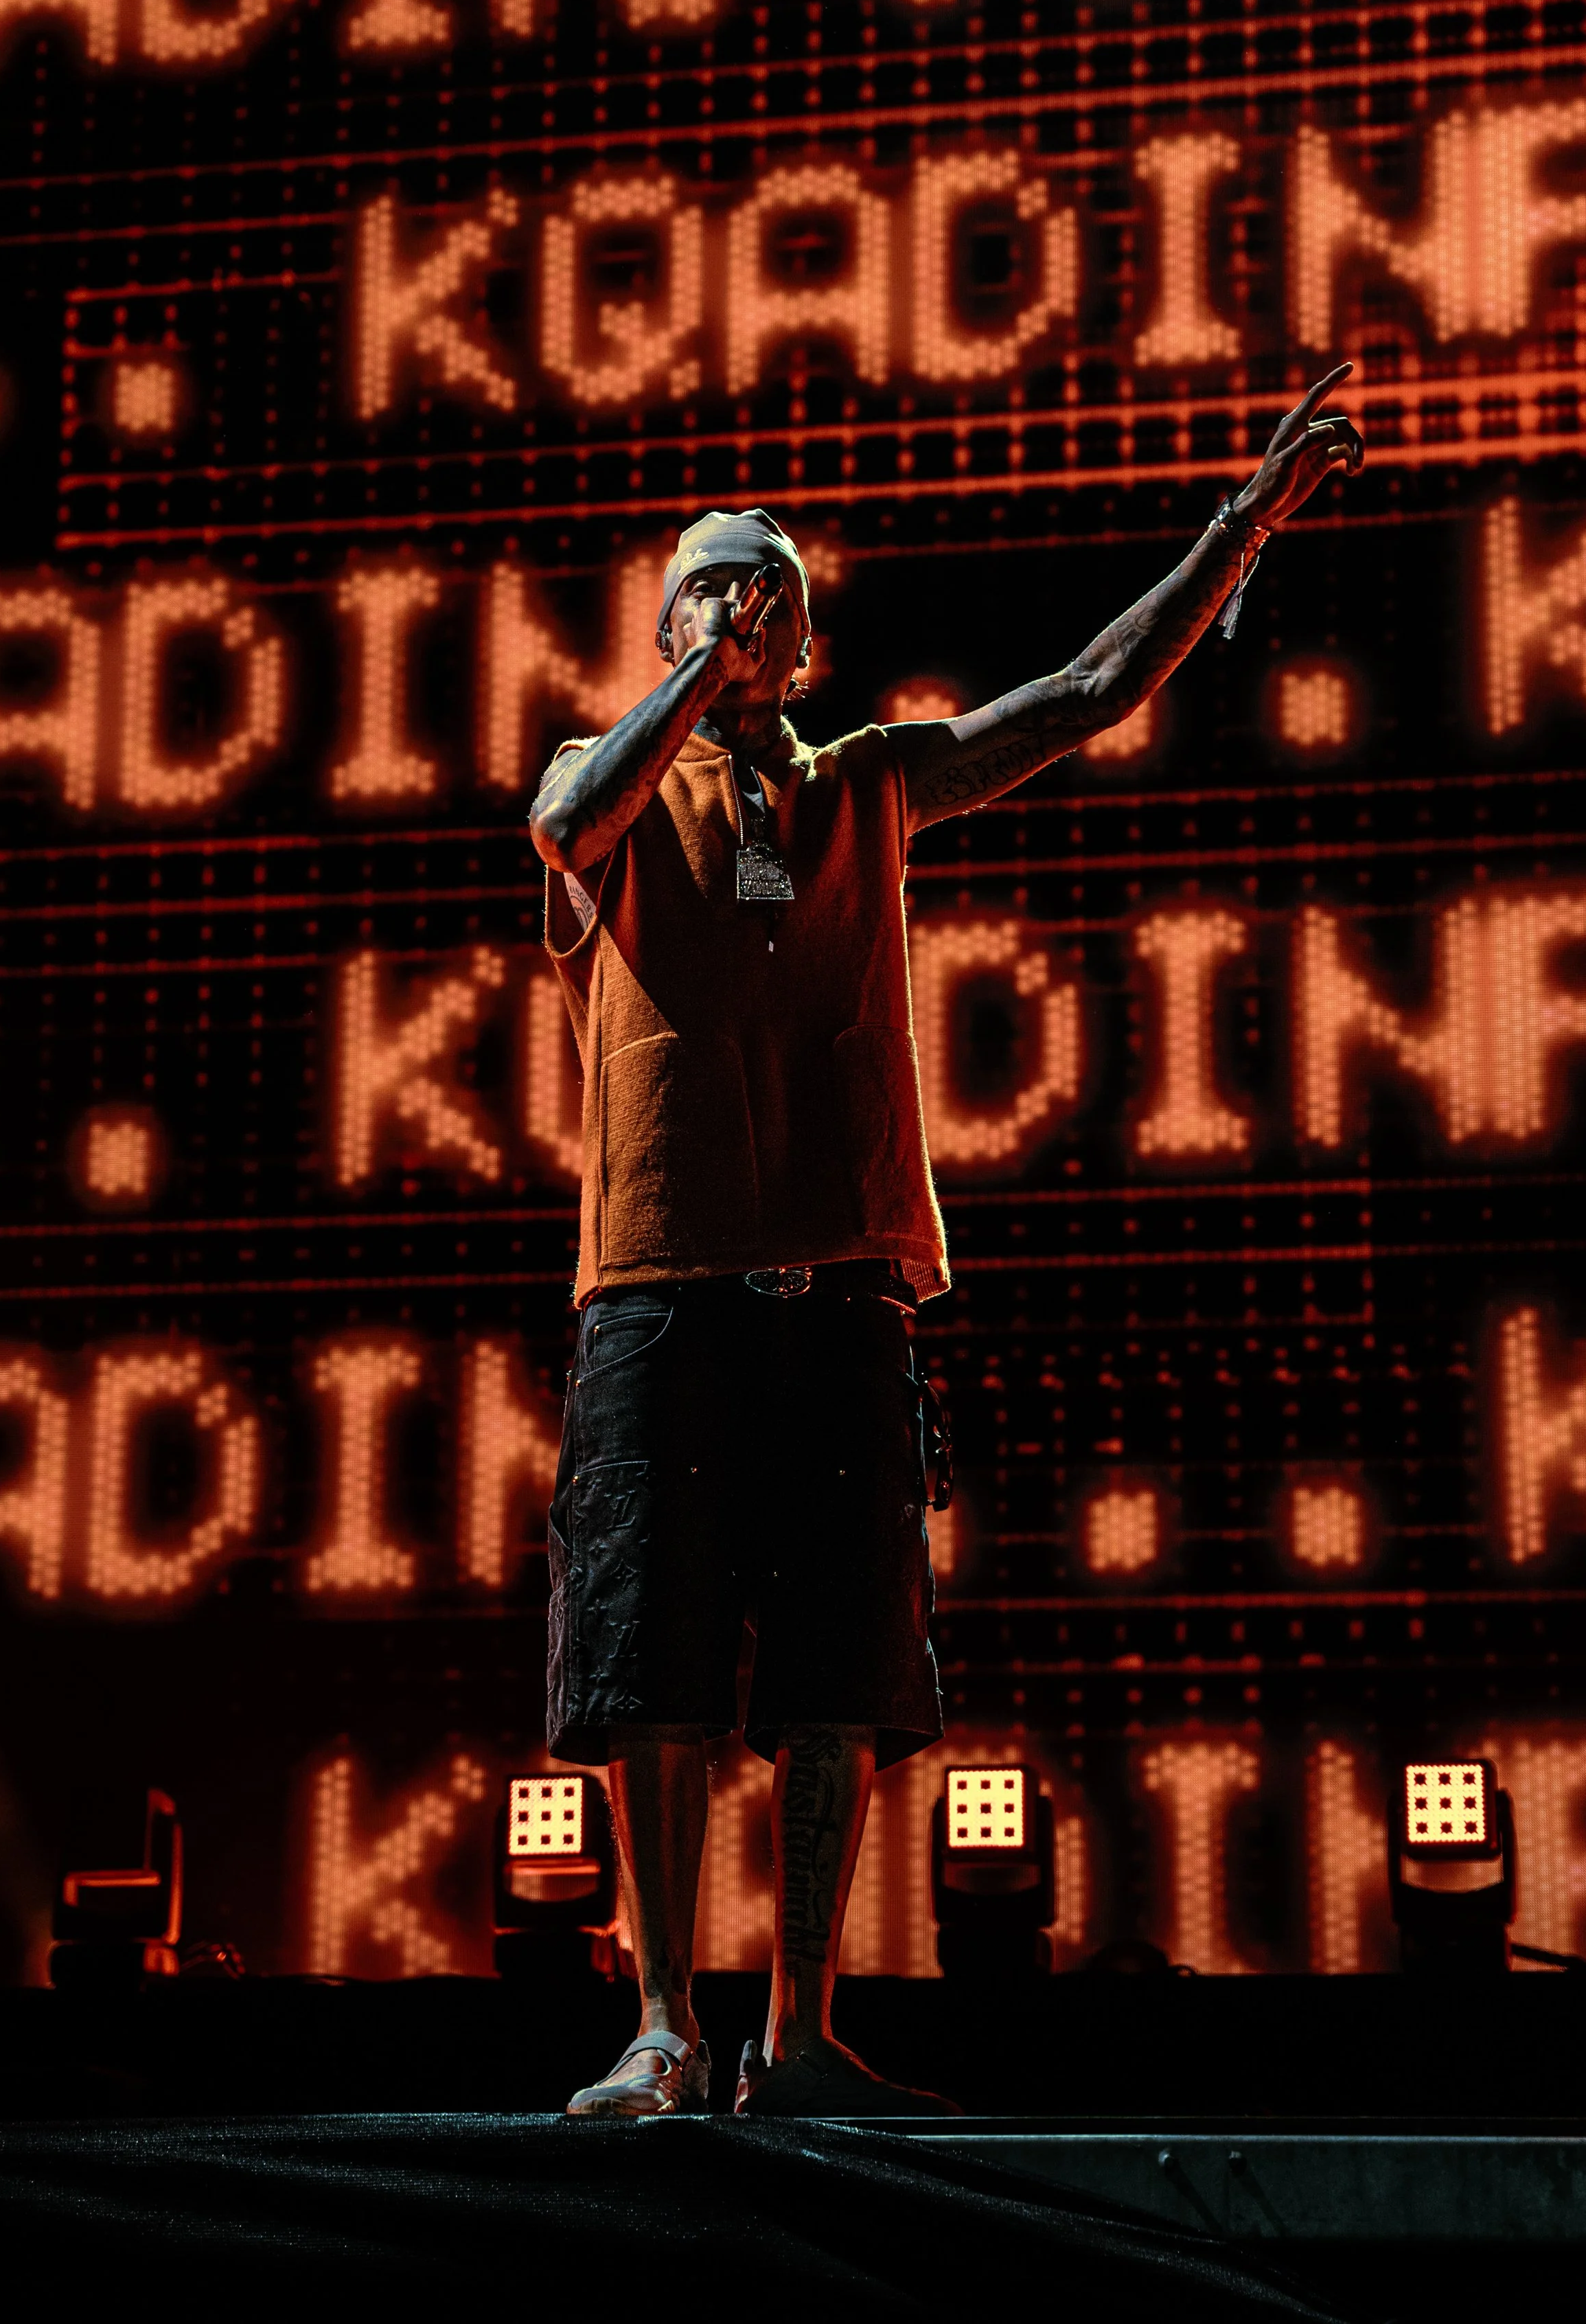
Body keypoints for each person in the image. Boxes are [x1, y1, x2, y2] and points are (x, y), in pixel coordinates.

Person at [528, 367, 1363, 2117]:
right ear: (666, 625)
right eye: (706, 585)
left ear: (810, 641)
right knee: (649, 1655)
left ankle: (801, 2034)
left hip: (835, 1292)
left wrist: (1242, 524)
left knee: (835, 1660)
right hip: (659, 1294)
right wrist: (694, 678)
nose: (740, 605)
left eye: (767, 592)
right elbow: (565, 822)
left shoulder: (868, 786)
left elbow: (1079, 694)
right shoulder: (603, 785)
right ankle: (664, 2024)